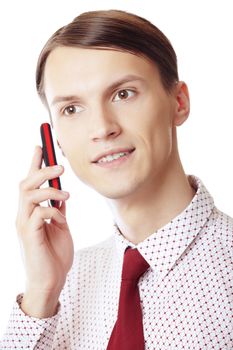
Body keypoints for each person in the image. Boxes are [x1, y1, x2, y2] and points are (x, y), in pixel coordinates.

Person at [1, 9, 232, 350]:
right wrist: (42, 293)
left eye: (123, 94)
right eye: (72, 109)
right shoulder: (64, 286)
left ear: (179, 102)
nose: (102, 128)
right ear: (57, 141)